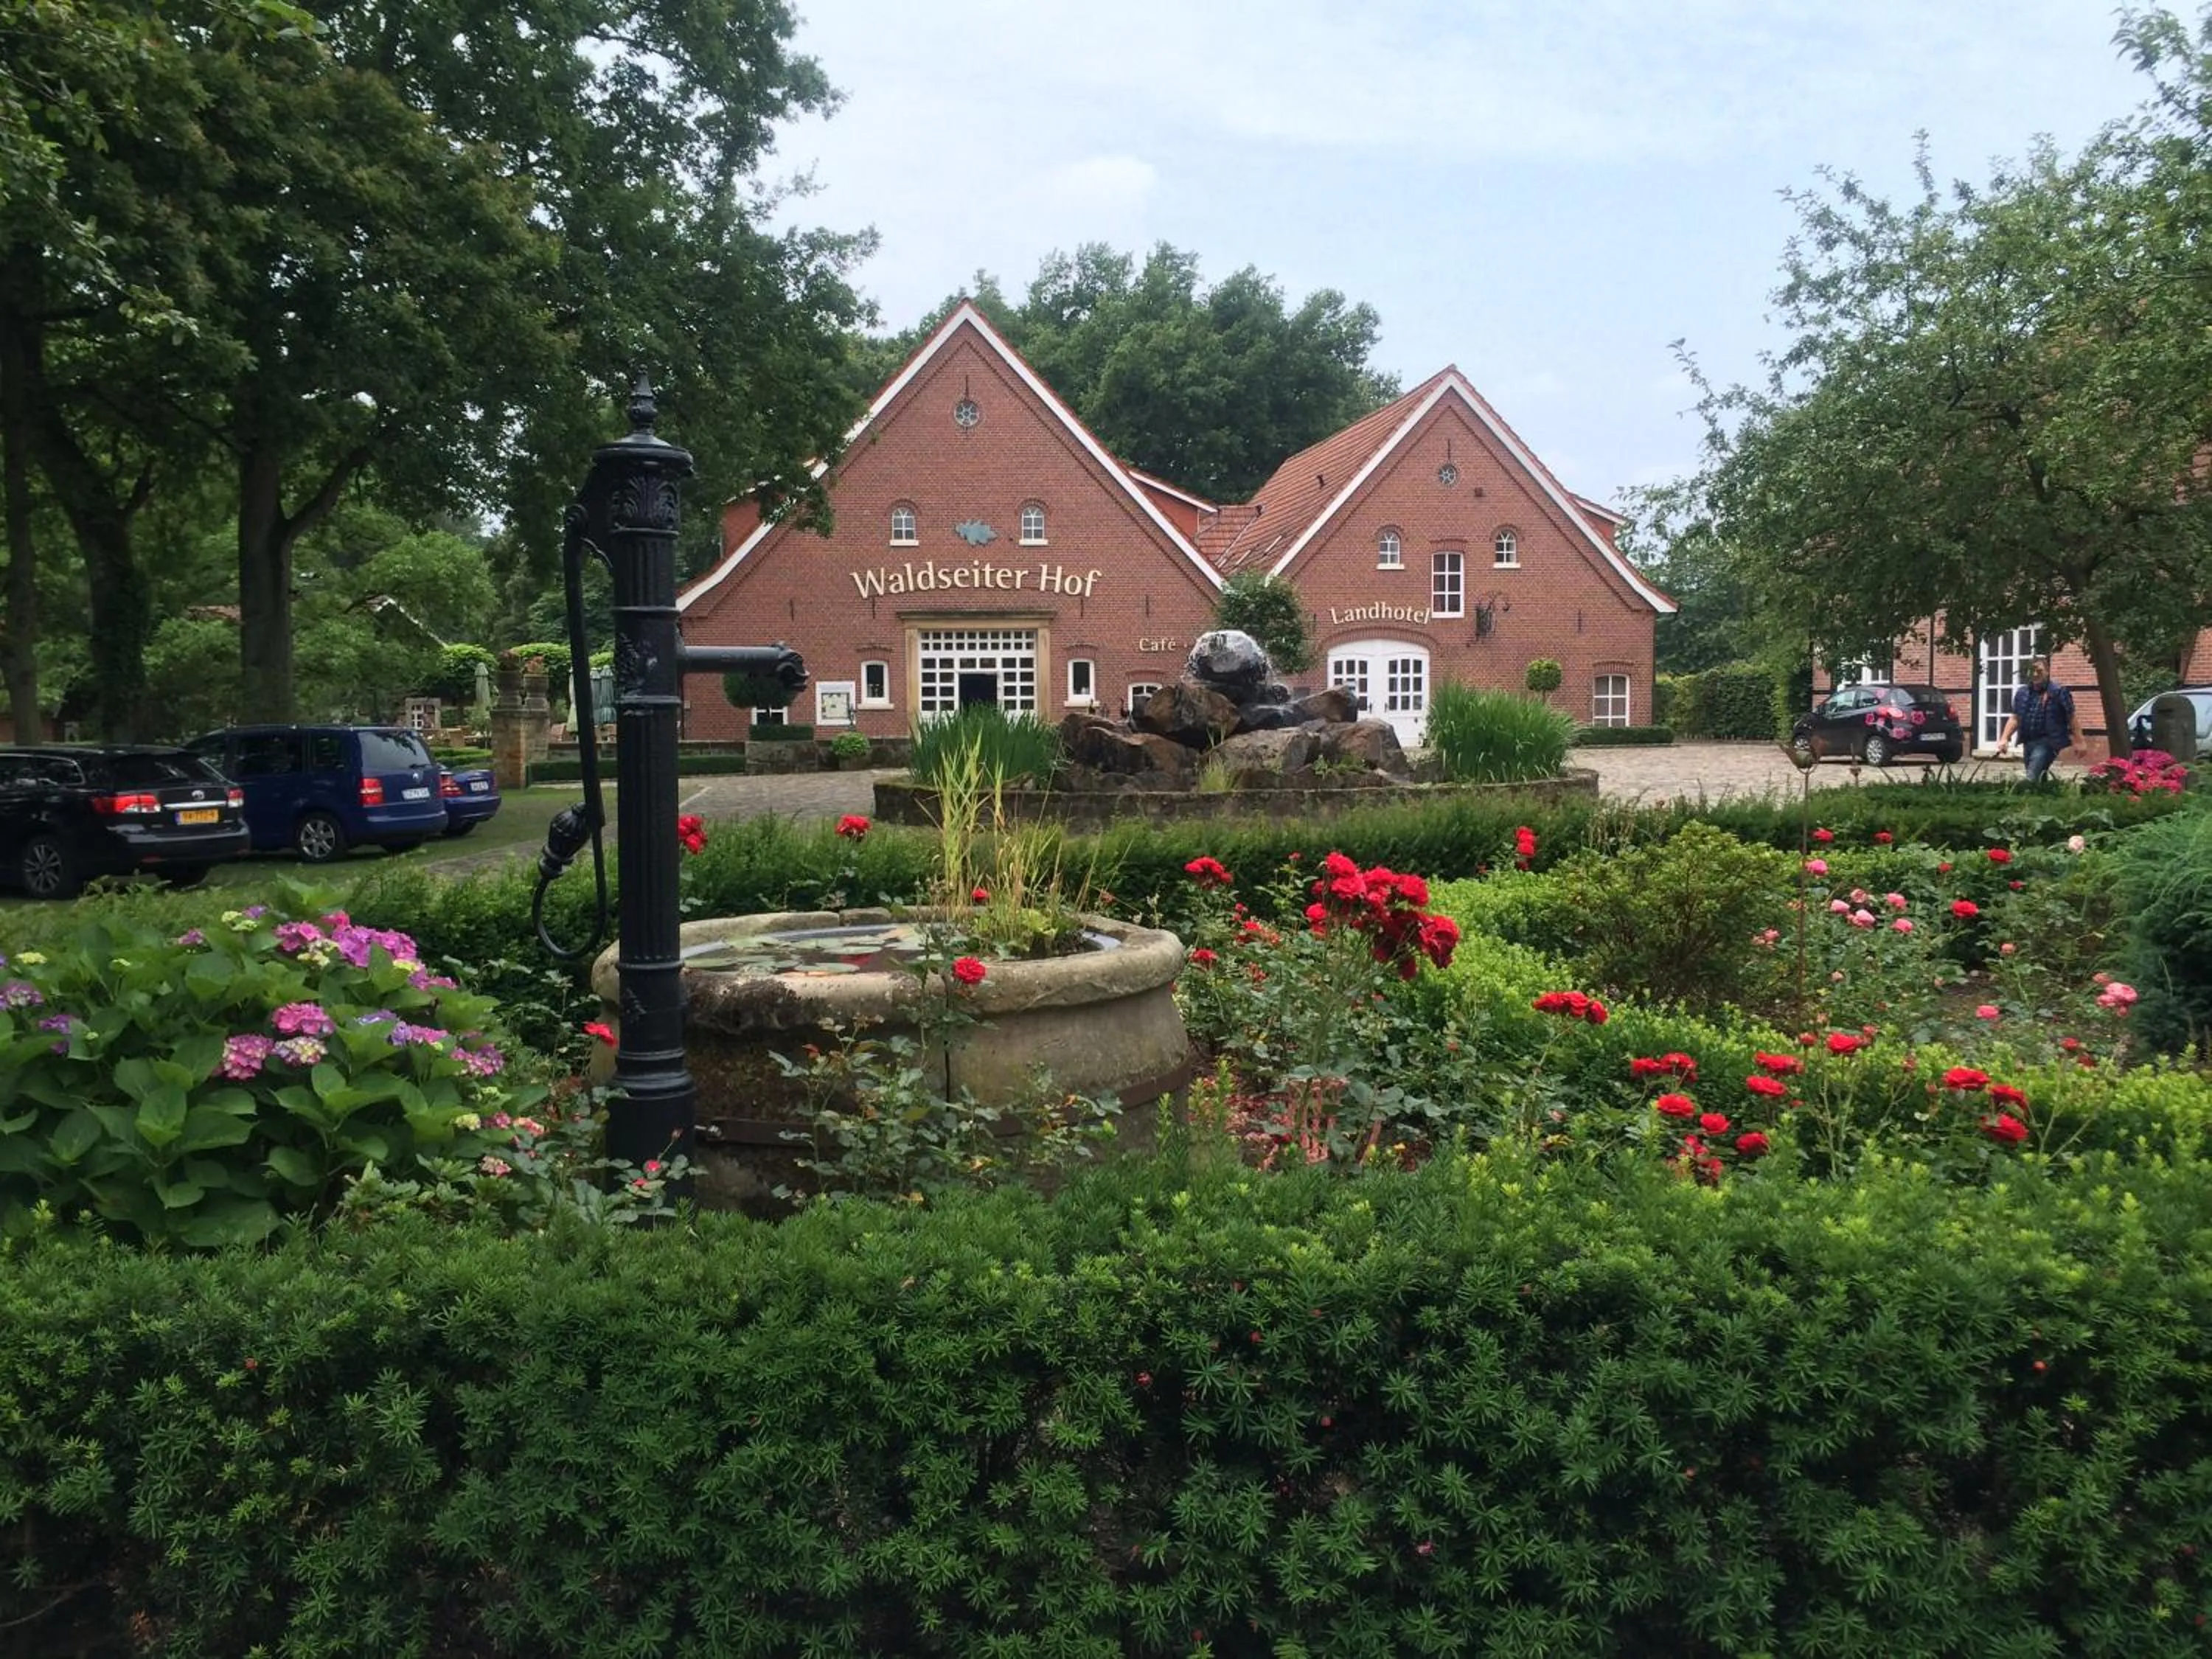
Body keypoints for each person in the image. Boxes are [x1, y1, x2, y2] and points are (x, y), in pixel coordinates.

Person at [1994, 658, 2078, 781]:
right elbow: (2015, 718)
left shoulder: (2058, 692)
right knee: (2039, 777)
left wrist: (2080, 741)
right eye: (2032, 671)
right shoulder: (2023, 693)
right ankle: (2044, 797)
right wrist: (2004, 738)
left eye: (2039, 671)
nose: (2035, 674)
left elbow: (2071, 717)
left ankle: (2025, 797)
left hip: (2048, 741)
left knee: (2032, 776)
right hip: (2028, 741)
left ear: (2047, 672)